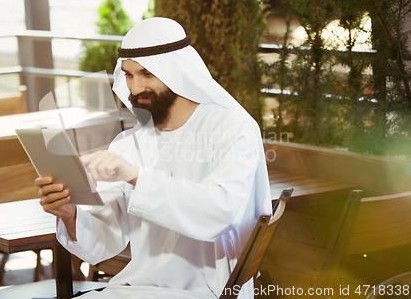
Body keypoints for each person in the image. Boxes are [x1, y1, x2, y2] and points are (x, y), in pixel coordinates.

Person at [36, 17, 272, 299]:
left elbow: (221, 211)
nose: (135, 89)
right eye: (129, 75)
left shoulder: (232, 127)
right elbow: (102, 243)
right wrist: (70, 214)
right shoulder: (129, 144)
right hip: (139, 288)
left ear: (176, 71)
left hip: (209, 291)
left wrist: (135, 175)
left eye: (147, 74)